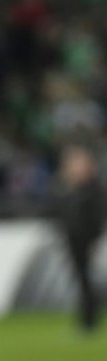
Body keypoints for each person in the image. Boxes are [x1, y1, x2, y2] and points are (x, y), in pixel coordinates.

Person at [49, 141, 105, 332]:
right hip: (73, 240)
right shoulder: (69, 188)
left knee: (87, 280)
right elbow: (59, 211)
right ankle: (86, 318)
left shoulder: (93, 188)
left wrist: (93, 240)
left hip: (85, 240)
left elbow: (96, 217)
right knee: (81, 280)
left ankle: (90, 319)